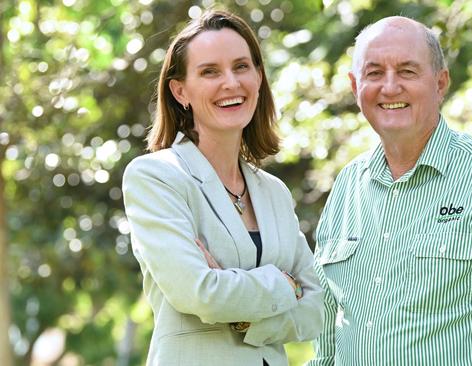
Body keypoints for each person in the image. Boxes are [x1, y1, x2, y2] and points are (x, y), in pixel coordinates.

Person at [309, 16, 472, 366]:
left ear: (440, 83)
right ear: (355, 85)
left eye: (407, 71)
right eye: (374, 73)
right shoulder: (346, 186)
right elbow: (328, 326)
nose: (389, 88)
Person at [122, 10, 323, 366]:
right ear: (180, 90)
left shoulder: (274, 192)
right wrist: (282, 284)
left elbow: (315, 309)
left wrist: (245, 316)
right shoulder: (155, 177)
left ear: (259, 78)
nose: (230, 82)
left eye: (241, 67)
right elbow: (200, 294)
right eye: (210, 71)